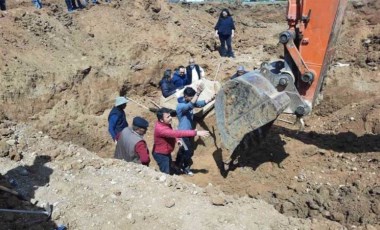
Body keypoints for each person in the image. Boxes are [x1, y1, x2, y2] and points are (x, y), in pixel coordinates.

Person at [153, 107, 209, 174]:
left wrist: (177, 140)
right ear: (161, 120)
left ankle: (174, 170)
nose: (170, 117)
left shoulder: (164, 123)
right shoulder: (161, 129)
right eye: (168, 117)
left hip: (166, 151)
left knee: (170, 165)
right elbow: (176, 133)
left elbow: (172, 133)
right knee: (166, 174)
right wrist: (195, 133)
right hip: (161, 154)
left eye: (170, 115)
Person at [175, 87, 215, 175]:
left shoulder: (189, 102)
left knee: (184, 150)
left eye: (193, 97)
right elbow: (189, 106)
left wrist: (211, 99)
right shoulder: (181, 106)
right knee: (188, 152)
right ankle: (185, 168)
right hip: (183, 134)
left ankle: (177, 164)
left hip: (190, 132)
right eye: (191, 97)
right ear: (185, 96)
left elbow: (199, 104)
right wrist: (198, 93)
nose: (193, 99)